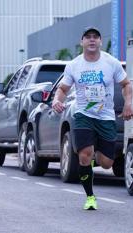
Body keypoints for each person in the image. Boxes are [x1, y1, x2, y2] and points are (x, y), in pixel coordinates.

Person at [52, 27, 133, 210]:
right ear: (82, 42)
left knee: (106, 163)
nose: (92, 40)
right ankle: (90, 197)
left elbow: (126, 84)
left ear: (100, 42)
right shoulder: (74, 65)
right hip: (83, 115)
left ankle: (95, 152)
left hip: (106, 117)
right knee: (84, 156)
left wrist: (129, 103)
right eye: (87, 37)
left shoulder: (111, 63)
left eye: (95, 37)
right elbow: (63, 89)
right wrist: (57, 100)